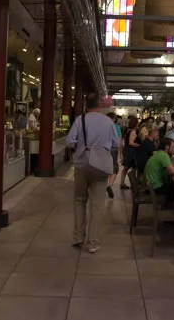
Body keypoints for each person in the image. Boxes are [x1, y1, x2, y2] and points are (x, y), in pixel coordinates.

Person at [66, 93, 119, 253]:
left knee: (79, 200)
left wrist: (83, 145)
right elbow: (116, 144)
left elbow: (70, 142)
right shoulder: (108, 122)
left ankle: (78, 237)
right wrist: (102, 148)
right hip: (101, 166)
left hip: (82, 164)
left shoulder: (80, 120)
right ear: (100, 105)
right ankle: (93, 243)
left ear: (86, 105)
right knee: (97, 205)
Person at [109, 116, 138, 198]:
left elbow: (122, 141)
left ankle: (122, 182)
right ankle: (133, 183)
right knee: (134, 167)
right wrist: (139, 145)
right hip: (131, 151)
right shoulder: (133, 131)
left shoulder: (126, 130)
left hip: (126, 149)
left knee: (126, 167)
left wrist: (121, 153)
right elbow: (131, 142)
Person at [145, 138, 174, 204]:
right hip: (156, 187)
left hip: (151, 186)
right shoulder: (164, 155)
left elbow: (169, 169)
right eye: (173, 147)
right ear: (167, 147)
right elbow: (172, 171)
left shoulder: (159, 153)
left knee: (173, 181)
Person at [106, 113, 122, 198]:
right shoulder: (117, 127)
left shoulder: (103, 126)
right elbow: (119, 141)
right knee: (114, 167)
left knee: (105, 167)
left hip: (104, 149)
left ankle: (103, 185)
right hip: (113, 149)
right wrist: (121, 154)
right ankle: (110, 185)